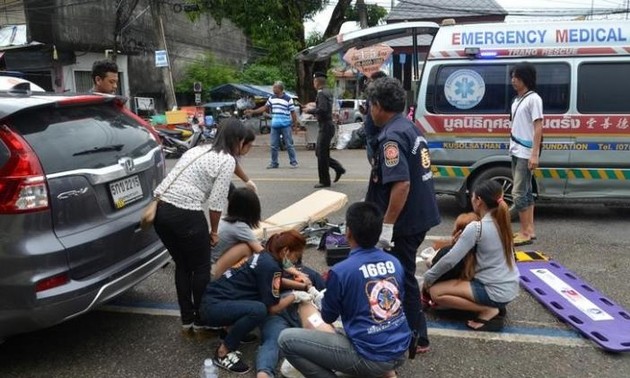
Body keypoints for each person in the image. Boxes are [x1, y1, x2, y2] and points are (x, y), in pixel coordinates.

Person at [278, 201, 410, 378]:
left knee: (286, 340)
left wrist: (320, 298)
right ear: (378, 232)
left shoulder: (341, 272)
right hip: (401, 350)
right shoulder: (395, 263)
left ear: (348, 233)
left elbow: (328, 317)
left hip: (370, 356)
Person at [364, 76, 441, 357]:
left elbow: (402, 184)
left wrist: (386, 227)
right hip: (419, 214)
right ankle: (412, 330)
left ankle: (417, 336)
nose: (370, 111)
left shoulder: (392, 137)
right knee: (403, 274)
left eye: (371, 105)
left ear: (378, 105)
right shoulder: (407, 125)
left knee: (403, 276)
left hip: (405, 222)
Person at [153, 118, 248, 333]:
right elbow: (216, 204)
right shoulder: (227, 160)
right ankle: (204, 318)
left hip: (160, 212)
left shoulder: (198, 150)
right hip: (185, 213)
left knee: (183, 266)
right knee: (201, 268)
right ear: (237, 140)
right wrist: (214, 232)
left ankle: (187, 320)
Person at [199, 230, 313, 374]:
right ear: (285, 251)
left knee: (255, 306)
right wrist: (295, 296)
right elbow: (272, 309)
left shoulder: (264, 256)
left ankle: (230, 331)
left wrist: (303, 286)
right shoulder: (271, 267)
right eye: (296, 255)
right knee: (259, 310)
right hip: (213, 308)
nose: (296, 261)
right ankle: (223, 352)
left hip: (214, 299)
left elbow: (273, 281)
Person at [423, 180, 520, 332]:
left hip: (493, 290)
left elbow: (449, 261)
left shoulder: (477, 227)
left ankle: (487, 310)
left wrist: (429, 278)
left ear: (479, 201)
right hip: (510, 287)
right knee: (444, 301)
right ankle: (493, 306)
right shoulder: (502, 222)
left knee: (436, 292)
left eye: (472, 197)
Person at [509, 62, 543, 247]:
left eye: (517, 77)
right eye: (512, 76)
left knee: (518, 193)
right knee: (527, 192)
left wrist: (534, 154)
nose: (513, 80)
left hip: (526, 152)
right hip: (516, 149)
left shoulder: (534, 99)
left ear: (526, 78)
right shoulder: (516, 100)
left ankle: (524, 232)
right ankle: (529, 230)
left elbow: (538, 127)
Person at [304, 72, 345, 188]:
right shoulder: (327, 92)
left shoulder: (322, 93)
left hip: (326, 126)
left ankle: (325, 180)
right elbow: (324, 107)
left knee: (321, 153)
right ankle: (338, 168)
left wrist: (309, 111)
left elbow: (322, 109)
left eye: (314, 81)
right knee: (321, 152)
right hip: (327, 125)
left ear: (316, 82)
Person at [246, 81, 299, 169]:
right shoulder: (271, 98)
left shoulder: (288, 99)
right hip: (275, 126)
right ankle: (274, 163)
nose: (273, 89)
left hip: (286, 125)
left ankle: (293, 162)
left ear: (280, 89)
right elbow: (265, 108)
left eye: (275, 88)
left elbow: (293, 113)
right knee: (274, 145)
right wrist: (253, 111)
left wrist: (295, 126)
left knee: (289, 145)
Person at [362, 71, 388, 165]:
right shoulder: (372, 95)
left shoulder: (382, 97)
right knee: (374, 164)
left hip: (376, 135)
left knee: (378, 164)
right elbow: (369, 111)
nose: (369, 83)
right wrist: (365, 111)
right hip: (370, 133)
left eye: (371, 81)